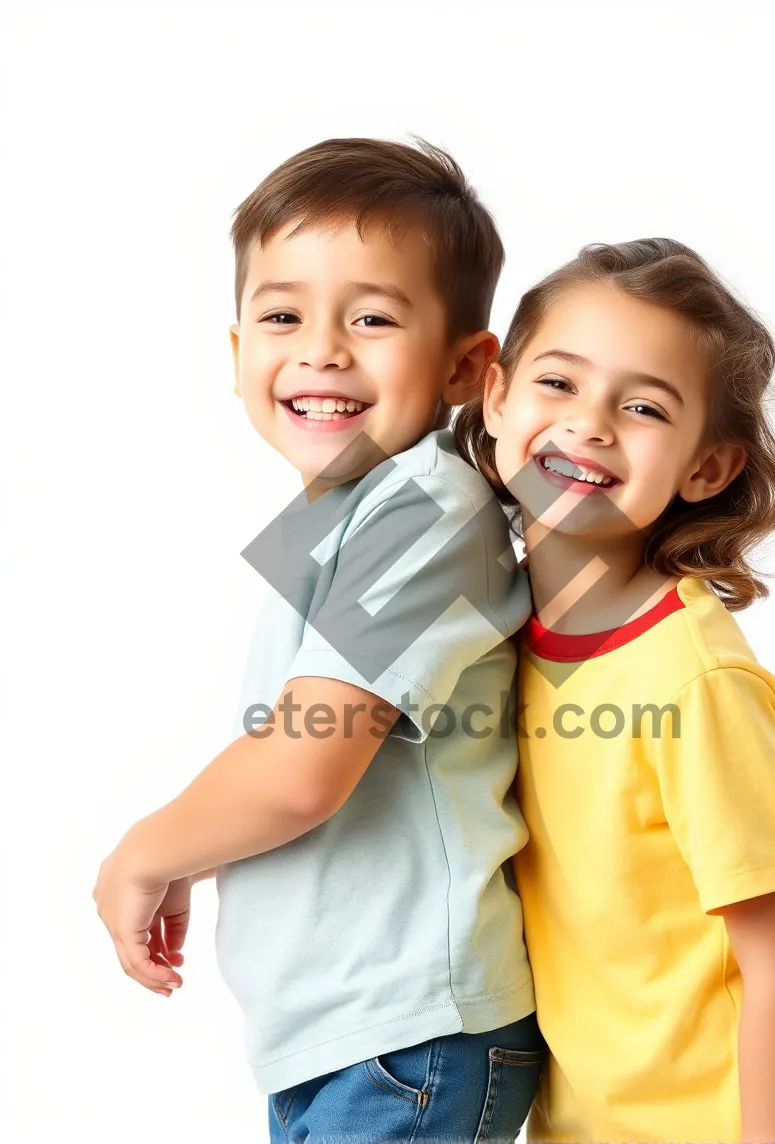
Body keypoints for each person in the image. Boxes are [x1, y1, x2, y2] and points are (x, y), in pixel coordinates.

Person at [93, 137, 544, 1143]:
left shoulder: (422, 505)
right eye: (283, 315)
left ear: (469, 366)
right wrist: (186, 849)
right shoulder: (346, 513)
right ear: (238, 350)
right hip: (356, 1038)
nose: (322, 349)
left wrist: (143, 851)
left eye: (374, 318)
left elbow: (302, 768)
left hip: (412, 1036)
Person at [454, 238, 775, 1143]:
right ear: (496, 396)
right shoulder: (491, 627)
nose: (589, 424)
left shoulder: (694, 678)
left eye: (640, 407)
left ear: (705, 469)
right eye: (558, 383)